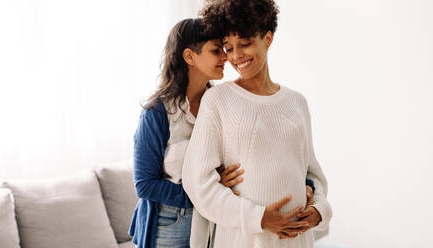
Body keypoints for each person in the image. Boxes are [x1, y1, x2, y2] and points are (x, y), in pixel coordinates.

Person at [128, 17, 316, 248]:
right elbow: (145, 184)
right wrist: (205, 191)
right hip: (170, 221)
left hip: (211, 221)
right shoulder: (157, 114)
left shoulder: (220, 103)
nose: (227, 57)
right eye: (218, 50)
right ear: (189, 57)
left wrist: (307, 187)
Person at [181, 0, 332, 247]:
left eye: (245, 44)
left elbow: (312, 176)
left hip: (296, 240)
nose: (236, 56)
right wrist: (259, 218)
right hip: (244, 239)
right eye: (228, 48)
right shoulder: (219, 100)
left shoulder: (297, 102)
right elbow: (198, 182)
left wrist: (319, 210)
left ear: (268, 39)